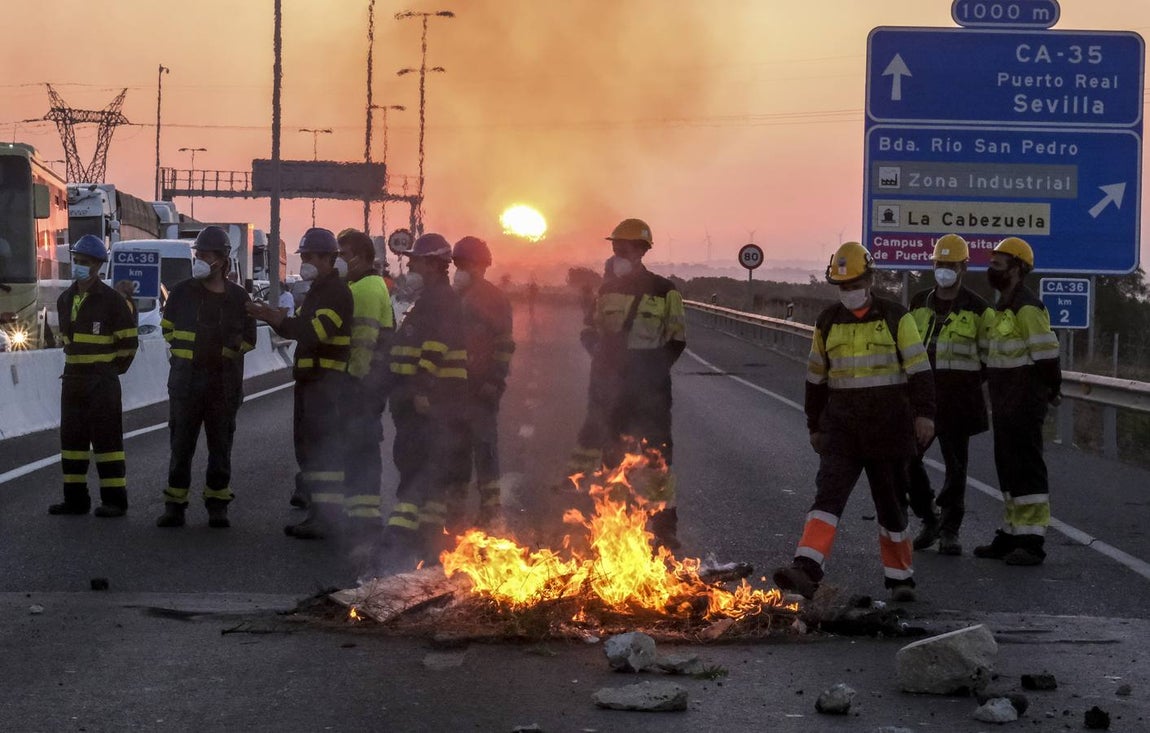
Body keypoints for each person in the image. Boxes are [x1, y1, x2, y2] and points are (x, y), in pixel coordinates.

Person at [773, 242, 935, 602]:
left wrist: (924, 414)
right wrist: (814, 425)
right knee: (827, 499)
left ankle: (900, 578)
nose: (849, 292)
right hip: (842, 429)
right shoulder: (828, 321)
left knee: (892, 504)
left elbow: (920, 371)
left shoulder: (896, 317)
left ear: (870, 278)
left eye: (854, 283)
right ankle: (807, 568)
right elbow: (816, 379)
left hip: (889, 428)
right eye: (842, 286)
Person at [246, 228, 354, 540]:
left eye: (310, 256)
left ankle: (326, 517)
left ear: (328, 258)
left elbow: (313, 333)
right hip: (312, 383)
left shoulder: (335, 293)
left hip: (326, 385)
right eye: (303, 256)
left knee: (322, 454)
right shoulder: (318, 291)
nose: (305, 262)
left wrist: (273, 317)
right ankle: (319, 513)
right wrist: (276, 317)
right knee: (310, 451)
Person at [588, 218, 687, 550]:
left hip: (652, 390)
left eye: (624, 247)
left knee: (656, 458)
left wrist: (653, 372)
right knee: (612, 456)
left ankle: (664, 528)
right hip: (615, 387)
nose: (617, 253)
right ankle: (613, 525)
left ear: (641, 251)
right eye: (614, 247)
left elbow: (677, 339)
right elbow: (590, 331)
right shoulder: (606, 290)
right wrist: (603, 362)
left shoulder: (665, 290)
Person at [155, 226, 257, 529]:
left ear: (222, 260)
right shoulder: (182, 292)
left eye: (205, 255)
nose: (199, 259)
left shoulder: (239, 298)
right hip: (186, 384)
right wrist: (191, 354)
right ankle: (174, 506)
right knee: (181, 447)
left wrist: (225, 351)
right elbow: (167, 330)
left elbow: (251, 339)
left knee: (220, 448)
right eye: (197, 254)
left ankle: (217, 505)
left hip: (222, 386)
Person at [379, 233, 468, 568]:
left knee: (418, 466)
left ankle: (402, 537)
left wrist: (422, 389)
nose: (410, 265)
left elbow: (435, 348)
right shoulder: (429, 299)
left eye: (416, 261)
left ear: (433, 264)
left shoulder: (440, 300)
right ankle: (427, 538)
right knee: (420, 466)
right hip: (414, 399)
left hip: (431, 401)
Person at [974, 236, 1061, 566]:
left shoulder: (1028, 308)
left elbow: (1047, 357)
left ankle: (1032, 540)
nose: (991, 269)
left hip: (1025, 402)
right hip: (1005, 403)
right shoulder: (1002, 308)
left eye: (998, 264)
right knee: (1008, 469)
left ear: (1018, 269)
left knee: (1027, 470)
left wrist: (1052, 390)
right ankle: (1011, 533)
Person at [905, 234, 993, 556]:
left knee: (957, 468)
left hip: (960, 400)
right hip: (922, 400)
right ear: (933, 264)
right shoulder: (918, 303)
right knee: (907, 459)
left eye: (950, 265)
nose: (944, 270)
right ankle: (929, 518)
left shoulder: (979, 310)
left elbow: (989, 357)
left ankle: (951, 530)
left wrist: (966, 382)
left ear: (964, 267)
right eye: (940, 264)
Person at [49, 234, 138, 517]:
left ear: (98, 266)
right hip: (73, 380)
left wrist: (108, 371)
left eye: (85, 262)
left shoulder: (112, 301)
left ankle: (114, 500)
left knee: (107, 443)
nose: (79, 266)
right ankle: (75, 500)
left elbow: (128, 345)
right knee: (72, 442)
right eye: (77, 261)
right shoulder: (65, 299)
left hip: (101, 383)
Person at [443, 235, 515, 531]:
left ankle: (490, 512)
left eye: (465, 264)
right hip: (454, 388)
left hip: (482, 387)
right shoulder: (452, 297)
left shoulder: (493, 298)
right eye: (457, 263)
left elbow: (504, 344)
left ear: (481, 266)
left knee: (484, 450)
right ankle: (454, 511)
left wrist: (495, 381)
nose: (459, 269)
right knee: (455, 450)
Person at [336, 228, 396, 544]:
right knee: (359, 447)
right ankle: (359, 512)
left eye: (343, 255)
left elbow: (363, 342)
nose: (339, 261)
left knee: (362, 447)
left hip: (364, 383)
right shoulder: (363, 285)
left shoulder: (366, 290)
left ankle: (365, 516)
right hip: (368, 382)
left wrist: (353, 382)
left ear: (360, 257)